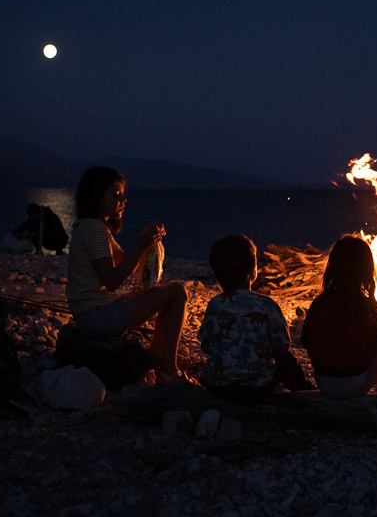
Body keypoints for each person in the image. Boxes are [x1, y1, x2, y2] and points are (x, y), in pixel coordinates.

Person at [66, 166, 189, 385]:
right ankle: (168, 371)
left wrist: (146, 241)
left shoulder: (92, 227)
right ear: (95, 196)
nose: (123, 199)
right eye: (116, 194)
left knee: (167, 293)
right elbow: (112, 281)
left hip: (92, 314)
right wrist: (141, 245)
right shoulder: (93, 229)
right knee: (177, 292)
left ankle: (158, 360)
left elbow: (127, 264)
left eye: (123, 194)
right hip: (98, 318)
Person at [197, 234, 314, 402]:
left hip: (217, 388)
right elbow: (281, 347)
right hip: (255, 390)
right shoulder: (267, 306)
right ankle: (305, 392)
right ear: (252, 269)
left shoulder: (214, 305)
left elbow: (206, 346)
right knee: (286, 359)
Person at [301, 235, 377, 399]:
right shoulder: (368, 306)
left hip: (323, 381)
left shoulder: (319, 302)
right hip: (353, 384)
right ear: (366, 270)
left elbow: (305, 339)